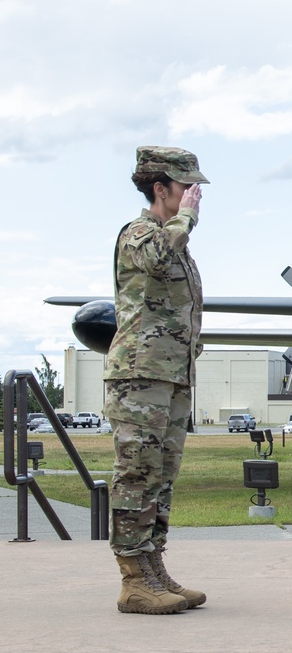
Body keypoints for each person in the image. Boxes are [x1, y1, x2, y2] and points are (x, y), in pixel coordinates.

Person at [104, 146, 209, 614]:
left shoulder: (174, 239)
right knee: (136, 474)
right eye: (186, 187)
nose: (194, 195)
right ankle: (132, 580)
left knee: (161, 477)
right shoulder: (140, 234)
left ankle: (154, 570)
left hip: (170, 377)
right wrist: (183, 221)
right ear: (159, 189)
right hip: (138, 377)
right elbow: (157, 260)